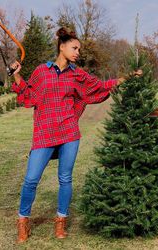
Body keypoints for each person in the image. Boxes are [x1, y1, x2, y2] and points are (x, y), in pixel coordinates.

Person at [10, 27, 142, 243]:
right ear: (61, 47)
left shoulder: (77, 74)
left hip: (69, 132)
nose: (78, 52)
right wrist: (16, 75)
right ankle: (23, 221)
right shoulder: (42, 71)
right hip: (44, 133)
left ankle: (61, 221)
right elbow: (29, 94)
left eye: (79, 48)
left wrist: (127, 77)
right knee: (31, 179)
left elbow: (100, 86)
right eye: (74, 47)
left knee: (65, 178)